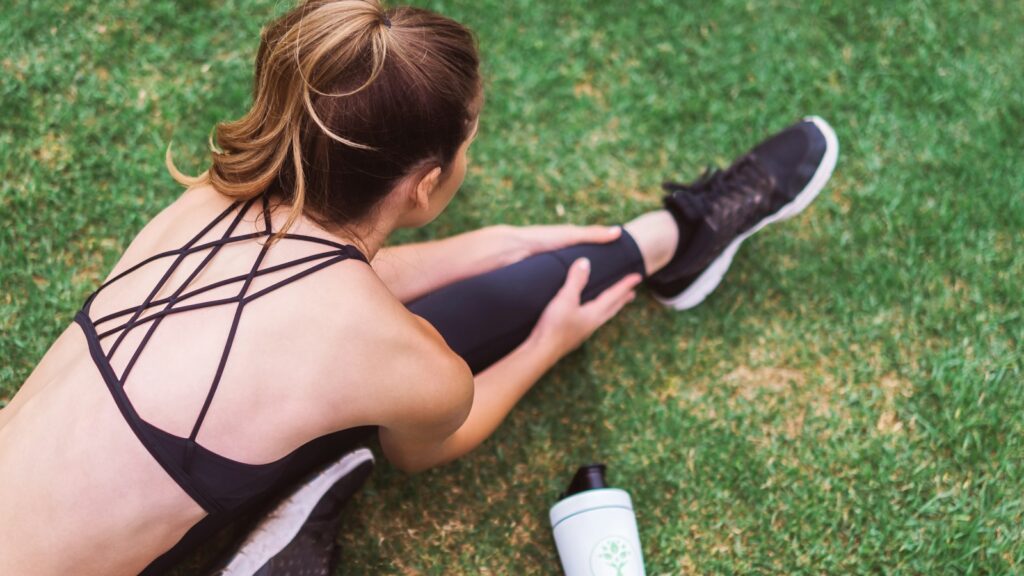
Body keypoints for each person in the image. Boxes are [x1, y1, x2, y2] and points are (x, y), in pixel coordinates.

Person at [0, 1, 838, 574]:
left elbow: (311, 292)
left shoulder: (206, 201)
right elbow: (432, 436)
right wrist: (551, 341)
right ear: (425, 183)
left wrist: (496, 243)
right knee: (360, 428)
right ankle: (672, 244)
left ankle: (670, 241)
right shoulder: (390, 354)